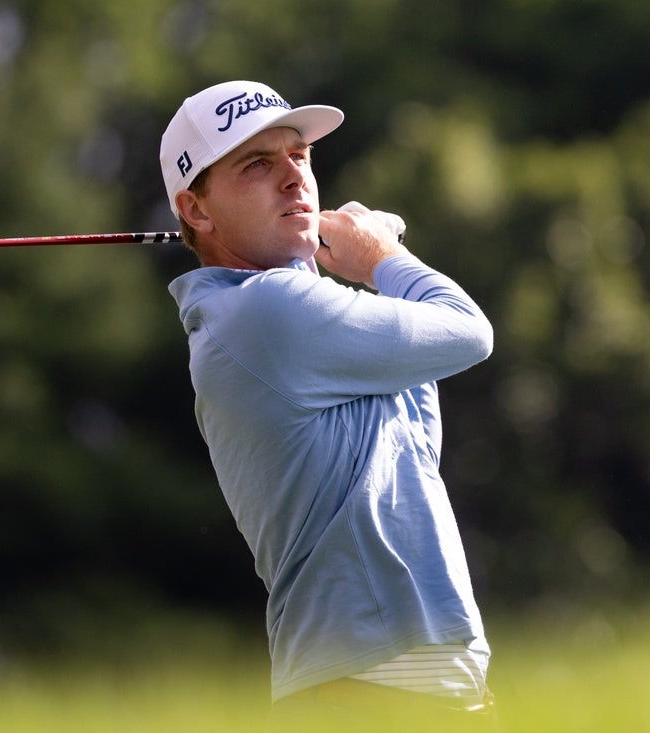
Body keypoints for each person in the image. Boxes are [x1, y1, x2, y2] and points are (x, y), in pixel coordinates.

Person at [159, 80, 497, 730]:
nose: (293, 177)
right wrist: (383, 259)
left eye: (299, 155)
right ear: (195, 210)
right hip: (370, 689)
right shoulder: (262, 312)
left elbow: (422, 411)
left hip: (424, 686)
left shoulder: (287, 314)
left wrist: (366, 265)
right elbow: (467, 332)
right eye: (256, 164)